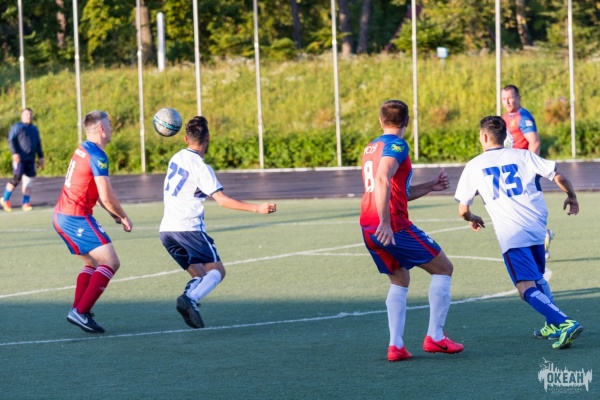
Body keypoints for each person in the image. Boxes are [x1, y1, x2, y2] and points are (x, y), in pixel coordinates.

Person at [455, 116, 583, 350]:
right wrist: (572, 197)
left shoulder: (474, 166)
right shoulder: (523, 155)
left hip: (512, 233)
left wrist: (472, 218)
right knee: (537, 277)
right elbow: (559, 176)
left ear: (484, 136)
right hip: (537, 226)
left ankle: (565, 322)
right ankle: (552, 325)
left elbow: (463, 210)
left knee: (525, 288)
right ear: (505, 137)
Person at [359, 99, 464, 362]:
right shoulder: (397, 145)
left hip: (368, 224)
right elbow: (382, 178)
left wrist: (430, 186)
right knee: (443, 268)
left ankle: (396, 346)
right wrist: (386, 222)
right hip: (391, 224)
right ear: (407, 121)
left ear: (380, 121)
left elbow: (395, 191)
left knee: (400, 279)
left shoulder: (371, 147)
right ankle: (435, 337)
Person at [159, 116, 277, 329]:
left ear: (186, 139)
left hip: (166, 231)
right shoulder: (201, 167)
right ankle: (190, 299)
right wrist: (256, 208)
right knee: (218, 272)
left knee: (200, 275)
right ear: (208, 138)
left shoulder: (176, 157)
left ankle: (190, 297)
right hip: (189, 229)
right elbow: (222, 200)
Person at [52, 110, 133, 334]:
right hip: (75, 217)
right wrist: (123, 215)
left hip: (61, 216)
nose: (112, 128)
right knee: (111, 262)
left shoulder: (83, 149)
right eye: (110, 124)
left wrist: (112, 213)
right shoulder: (98, 155)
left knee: (93, 264)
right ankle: (81, 311)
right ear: (101, 129)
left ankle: (79, 311)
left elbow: (94, 191)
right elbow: (106, 196)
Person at [501, 84, 554, 260]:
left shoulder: (523, 117)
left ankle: (541, 238)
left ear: (518, 98)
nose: (507, 102)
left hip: (523, 170)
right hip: (512, 171)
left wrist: (529, 167)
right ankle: (538, 237)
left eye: (510, 98)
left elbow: (534, 142)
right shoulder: (505, 118)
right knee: (518, 207)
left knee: (528, 206)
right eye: (504, 99)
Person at [1, 108, 44, 212]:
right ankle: (5, 199)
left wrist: (41, 157)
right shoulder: (17, 127)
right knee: (17, 179)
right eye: (26, 114)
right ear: (22, 116)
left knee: (29, 181)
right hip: (20, 159)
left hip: (31, 159)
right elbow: (11, 140)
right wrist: (14, 153)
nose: (29, 116)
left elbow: (38, 144)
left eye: (30, 114)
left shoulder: (34, 129)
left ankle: (26, 203)